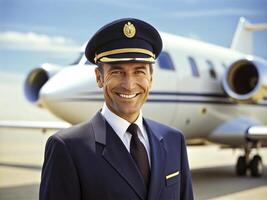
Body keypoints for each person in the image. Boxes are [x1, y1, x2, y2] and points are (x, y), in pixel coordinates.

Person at [39, 18, 194, 200]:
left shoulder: (173, 140)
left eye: (139, 71)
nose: (129, 85)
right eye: (117, 72)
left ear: (151, 78)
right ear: (99, 77)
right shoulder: (67, 148)